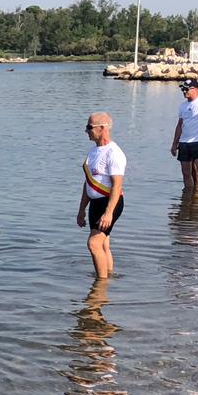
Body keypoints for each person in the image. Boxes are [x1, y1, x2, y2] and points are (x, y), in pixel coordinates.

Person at [77, 112, 125, 280]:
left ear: (102, 128)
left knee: (93, 243)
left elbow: (117, 185)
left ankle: (100, 286)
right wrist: (81, 210)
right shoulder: (93, 152)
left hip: (109, 203)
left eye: (89, 127)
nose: (86, 131)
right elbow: (88, 183)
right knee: (103, 244)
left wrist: (108, 212)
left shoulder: (114, 152)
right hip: (95, 203)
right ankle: (109, 276)